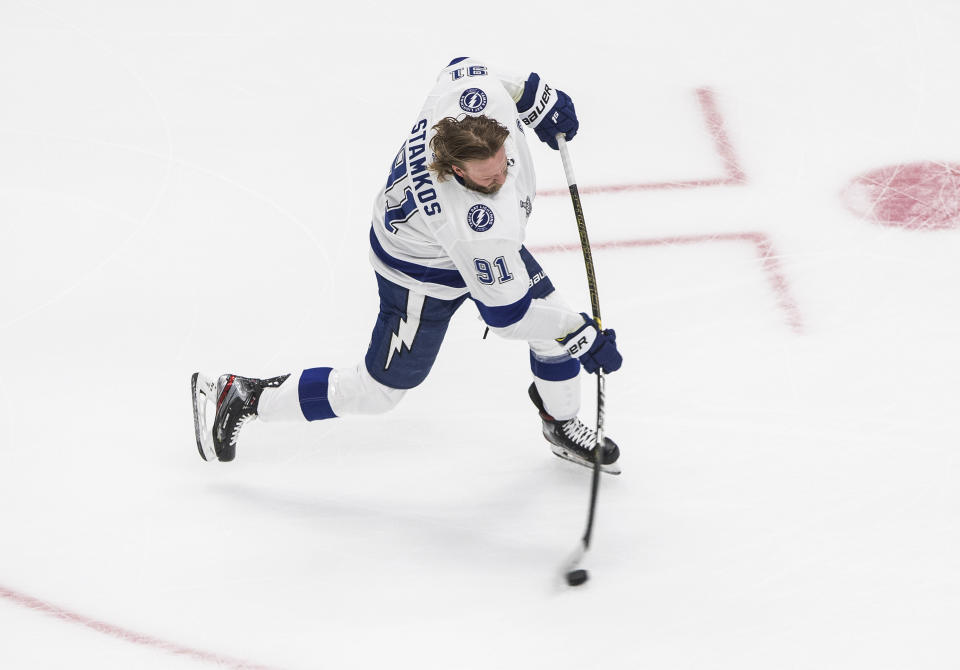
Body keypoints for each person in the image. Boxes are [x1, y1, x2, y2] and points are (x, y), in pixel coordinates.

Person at [191, 57, 624, 473]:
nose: (502, 178)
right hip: (420, 274)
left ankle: (559, 422)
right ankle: (244, 397)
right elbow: (508, 316)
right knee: (380, 391)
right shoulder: (477, 228)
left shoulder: (473, 99)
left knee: (555, 323)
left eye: (504, 164)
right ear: (456, 169)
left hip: (455, 245)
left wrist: (534, 95)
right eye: (489, 180)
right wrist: (579, 334)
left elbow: (464, 65)